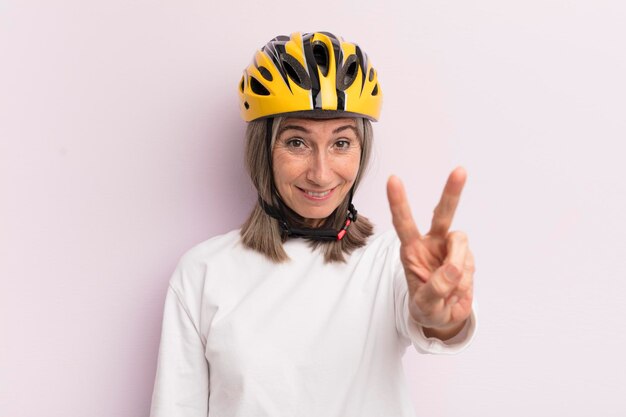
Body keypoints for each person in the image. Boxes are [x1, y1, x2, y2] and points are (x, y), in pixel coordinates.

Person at [149, 31, 476, 417]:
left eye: (341, 143)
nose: (321, 175)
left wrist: (442, 321)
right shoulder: (202, 272)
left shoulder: (391, 261)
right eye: (297, 143)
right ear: (262, 151)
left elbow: (431, 320)